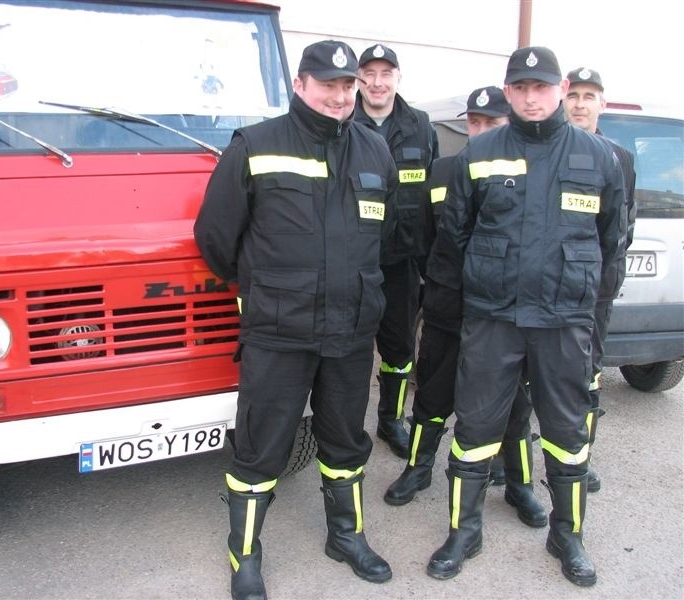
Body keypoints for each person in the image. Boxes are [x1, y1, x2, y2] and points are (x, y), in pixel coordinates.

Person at [194, 40, 399, 600]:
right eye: (327, 84)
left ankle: (347, 537)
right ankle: (245, 558)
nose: (339, 96)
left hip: (351, 332)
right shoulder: (255, 145)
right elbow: (215, 238)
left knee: (344, 441)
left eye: (347, 85)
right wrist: (268, 289)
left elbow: (384, 237)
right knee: (260, 449)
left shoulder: (374, 150)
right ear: (301, 85)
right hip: (279, 333)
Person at [425, 47, 626, 587]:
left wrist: (583, 301)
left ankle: (568, 535)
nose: (531, 97)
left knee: (566, 432)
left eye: (541, 87)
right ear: (508, 92)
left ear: (559, 89)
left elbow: (613, 242)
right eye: (521, 88)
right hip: (494, 317)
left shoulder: (598, 156)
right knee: (476, 428)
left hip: (563, 321)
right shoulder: (481, 151)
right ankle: (464, 531)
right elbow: (456, 233)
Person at [384, 86, 547, 531]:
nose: (480, 131)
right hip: (449, 309)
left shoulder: (528, 174)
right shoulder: (441, 171)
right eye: (474, 122)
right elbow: (421, 239)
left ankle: (519, 485)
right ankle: (418, 470)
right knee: (433, 397)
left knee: (514, 408)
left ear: (508, 123)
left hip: (501, 316)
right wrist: (436, 289)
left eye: (491, 123)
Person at [354, 44, 438, 459]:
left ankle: (391, 419)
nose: (376, 82)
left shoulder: (421, 126)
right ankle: (347, 425)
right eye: (368, 74)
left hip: (403, 262)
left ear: (397, 79)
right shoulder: (341, 120)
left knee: (400, 349)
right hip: (354, 261)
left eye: (385, 74)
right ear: (358, 79)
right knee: (349, 347)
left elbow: (432, 197)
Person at [564, 66, 637, 493]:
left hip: (595, 287)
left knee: (588, 373)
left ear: (601, 105)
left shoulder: (619, 157)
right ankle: (509, 458)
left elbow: (621, 225)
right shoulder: (551, 151)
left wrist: (604, 273)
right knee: (530, 374)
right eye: (574, 95)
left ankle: (582, 455)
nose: (580, 104)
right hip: (556, 284)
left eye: (589, 97)